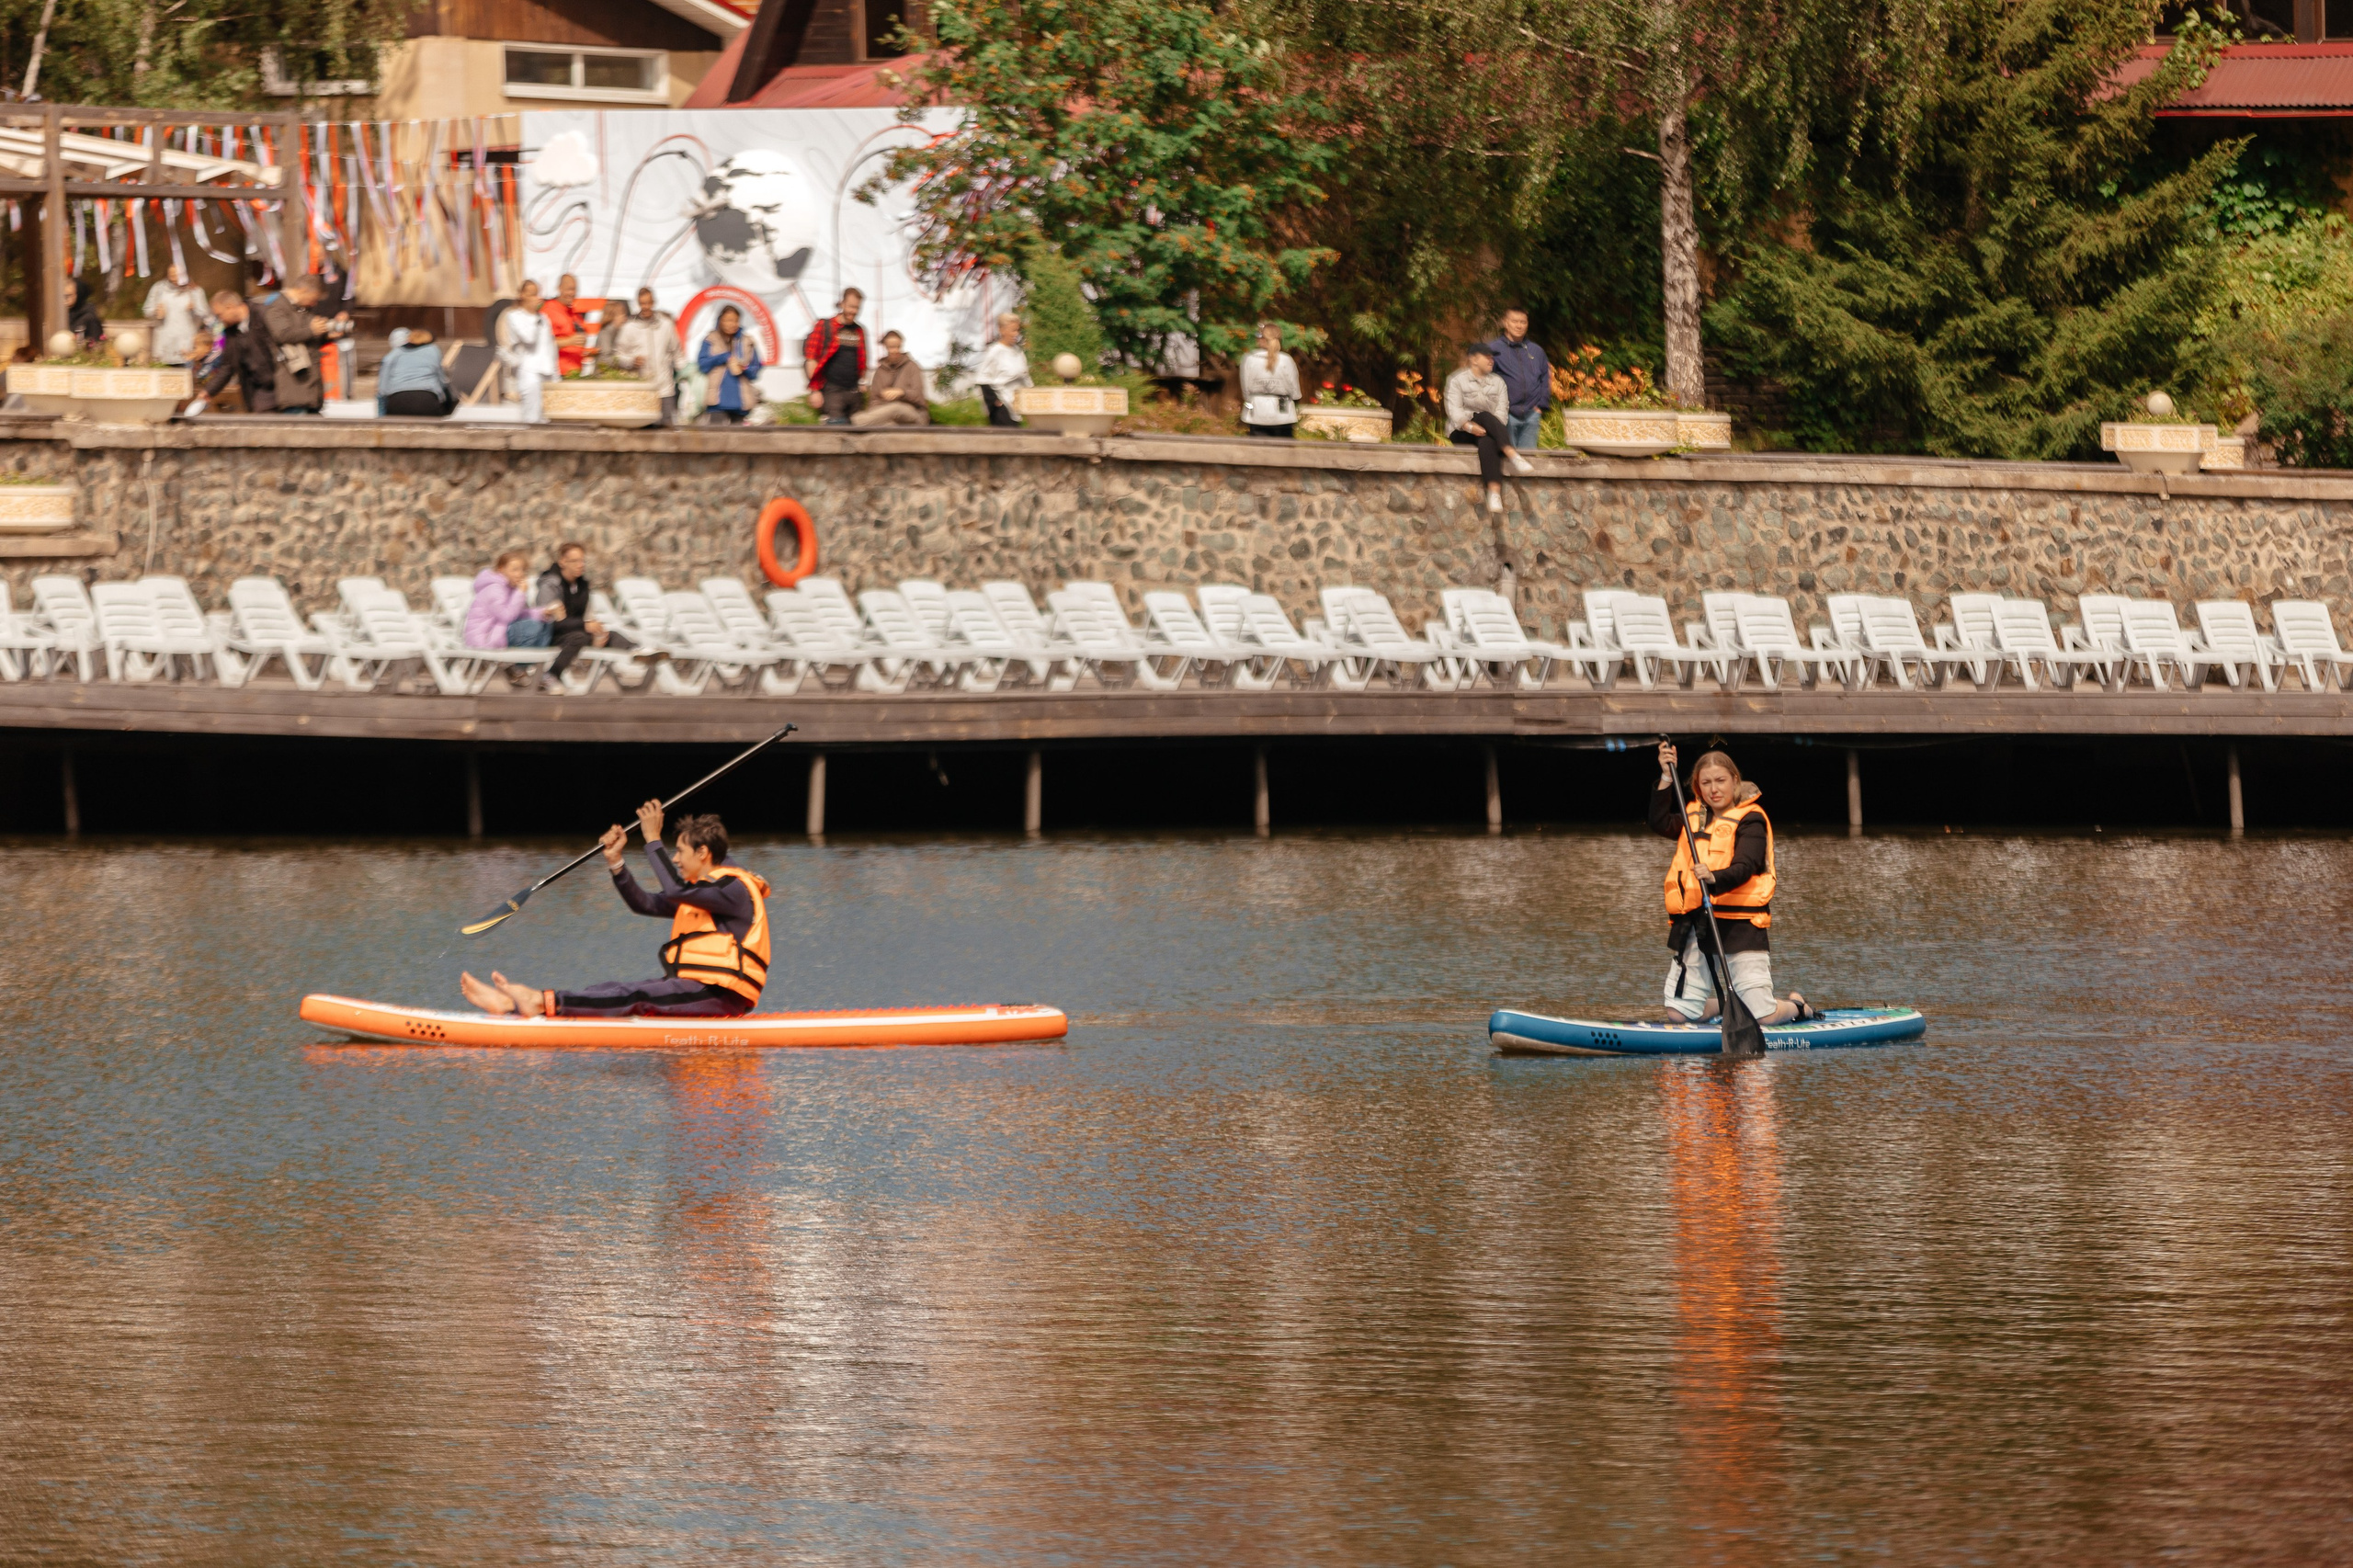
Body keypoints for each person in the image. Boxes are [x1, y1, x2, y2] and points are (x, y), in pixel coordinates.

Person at [459, 802, 770, 1019]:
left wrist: (652, 838)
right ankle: (510, 1007)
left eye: (680, 852)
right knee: (609, 989)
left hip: (721, 997)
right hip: (696, 988)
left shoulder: (733, 889)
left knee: (635, 996)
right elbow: (645, 903)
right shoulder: (703, 894)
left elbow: (674, 890)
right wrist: (615, 862)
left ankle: (540, 1001)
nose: (675, 860)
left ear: (703, 853)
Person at [1651, 742, 1814, 1028]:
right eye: (1706, 783)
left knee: (1762, 1017)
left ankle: (1797, 1007)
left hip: (1741, 925)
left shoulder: (1751, 819)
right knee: (1681, 1015)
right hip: (1697, 922)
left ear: (1734, 781)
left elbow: (1746, 866)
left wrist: (1714, 878)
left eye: (1720, 781)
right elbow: (1659, 821)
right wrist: (1666, 775)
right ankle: (1729, 1006)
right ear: (1698, 787)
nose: (1713, 789)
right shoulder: (1693, 816)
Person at [1444, 344, 1533, 514]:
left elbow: (1502, 413)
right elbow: (1454, 411)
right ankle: (1513, 455)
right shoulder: (1456, 380)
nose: (1492, 360)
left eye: (1492, 357)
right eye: (1487, 357)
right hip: (1462, 431)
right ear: (1474, 359)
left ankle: (1493, 493)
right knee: (1484, 415)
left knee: (1487, 440)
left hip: (1490, 432)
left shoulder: (1498, 383)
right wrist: (1470, 427)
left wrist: (1487, 428)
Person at [532, 540, 636, 677]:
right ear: (563, 562)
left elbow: (587, 616)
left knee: (613, 635)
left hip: (575, 632)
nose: (580, 565)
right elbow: (551, 623)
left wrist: (598, 634)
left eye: (582, 561)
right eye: (575, 561)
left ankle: (638, 653)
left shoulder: (581, 585)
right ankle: (551, 675)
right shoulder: (550, 586)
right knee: (579, 638)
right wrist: (584, 626)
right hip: (550, 635)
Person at [464, 550, 563, 690]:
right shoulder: (494, 589)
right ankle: (520, 667)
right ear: (501, 569)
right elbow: (507, 616)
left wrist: (543, 612)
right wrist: (521, 592)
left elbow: (519, 613)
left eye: (522, 570)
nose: (520, 574)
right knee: (533, 627)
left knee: (546, 623)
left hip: (502, 631)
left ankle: (526, 668)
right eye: (515, 569)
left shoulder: (510, 588)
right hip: (487, 637)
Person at [254, 274, 343, 414]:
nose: (314, 304)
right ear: (303, 290)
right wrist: (312, 330)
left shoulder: (303, 309)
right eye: (313, 299)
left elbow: (306, 338)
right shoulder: (277, 308)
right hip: (295, 387)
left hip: (312, 389)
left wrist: (326, 335)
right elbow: (282, 335)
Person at [188, 291, 286, 414]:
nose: (219, 320)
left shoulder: (263, 314)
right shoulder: (231, 332)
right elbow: (228, 366)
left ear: (230, 307)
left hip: (283, 383)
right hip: (260, 390)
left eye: (220, 315)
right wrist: (208, 391)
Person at [1483, 307, 1552, 451]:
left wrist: (1541, 405)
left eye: (1523, 322)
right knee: (1508, 458)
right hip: (1506, 414)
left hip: (1532, 414)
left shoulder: (1536, 351)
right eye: (1515, 321)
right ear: (1505, 323)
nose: (1519, 326)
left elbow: (1545, 378)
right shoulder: (1493, 349)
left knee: (1528, 458)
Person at [612, 288, 681, 425]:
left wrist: (684, 375)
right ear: (638, 304)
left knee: (667, 429)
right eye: (642, 303)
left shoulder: (666, 325)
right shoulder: (629, 328)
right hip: (642, 389)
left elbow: (677, 352)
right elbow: (618, 356)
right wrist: (631, 361)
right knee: (645, 432)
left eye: (648, 303)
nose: (646, 307)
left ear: (654, 302)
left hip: (665, 389)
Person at [803, 288, 868, 424]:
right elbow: (811, 358)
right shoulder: (825, 326)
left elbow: (862, 360)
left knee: (858, 427)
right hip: (832, 390)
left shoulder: (859, 330)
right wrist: (815, 390)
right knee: (836, 425)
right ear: (842, 304)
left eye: (857, 308)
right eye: (851, 306)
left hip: (853, 391)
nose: (854, 311)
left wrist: (862, 382)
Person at [497, 281, 558, 423]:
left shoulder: (543, 318)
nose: (536, 298)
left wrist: (555, 371)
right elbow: (528, 338)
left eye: (537, 294)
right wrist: (534, 315)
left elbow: (550, 345)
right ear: (522, 295)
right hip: (529, 371)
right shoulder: (514, 316)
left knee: (549, 417)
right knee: (531, 417)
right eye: (532, 294)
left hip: (547, 370)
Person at [698, 306, 763, 425]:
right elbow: (703, 365)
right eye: (728, 320)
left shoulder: (747, 341)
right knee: (715, 438)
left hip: (741, 401)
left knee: (739, 440)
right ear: (720, 320)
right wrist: (722, 357)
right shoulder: (710, 340)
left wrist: (744, 368)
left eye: (735, 320)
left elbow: (755, 369)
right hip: (716, 401)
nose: (732, 324)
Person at [851, 329, 928, 426]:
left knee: (895, 408)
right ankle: (860, 420)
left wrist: (902, 392)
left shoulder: (912, 366)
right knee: (889, 425)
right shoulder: (880, 371)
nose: (895, 350)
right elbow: (874, 400)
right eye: (891, 347)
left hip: (914, 413)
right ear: (886, 347)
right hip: (886, 414)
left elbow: (919, 395)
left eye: (898, 347)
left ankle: (857, 421)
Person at [142, 266, 217, 367]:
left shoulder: (195, 291)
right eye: (171, 276)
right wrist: (156, 312)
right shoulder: (159, 288)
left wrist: (194, 308)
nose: (174, 280)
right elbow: (147, 310)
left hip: (187, 343)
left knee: (186, 375)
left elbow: (206, 314)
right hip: (164, 341)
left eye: (177, 276)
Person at [1238, 322, 1301, 437]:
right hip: (1283, 413)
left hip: (1257, 413)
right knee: (1283, 452)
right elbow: (1295, 392)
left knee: (1258, 452)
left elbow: (1245, 391)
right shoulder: (1286, 359)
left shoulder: (1249, 359)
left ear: (1261, 338)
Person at [375, 326, 453, 417]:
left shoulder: (394, 353)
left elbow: (383, 389)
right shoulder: (433, 350)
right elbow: (442, 381)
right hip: (427, 400)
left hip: (397, 401)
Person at [974, 312, 1029, 426]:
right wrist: (995, 402)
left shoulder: (1018, 352)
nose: (1016, 334)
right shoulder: (995, 352)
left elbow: (1025, 377)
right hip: (1002, 407)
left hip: (1017, 405)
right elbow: (982, 378)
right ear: (1002, 330)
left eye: (1017, 330)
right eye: (1013, 330)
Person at [545, 273, 589, 378]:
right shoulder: (548, 310)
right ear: (559, 288)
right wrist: (569, 341)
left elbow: (579, 339)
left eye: (574, 289)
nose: (572, 293)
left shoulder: (574, 314)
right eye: (569, 289)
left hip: (576, 371)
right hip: (558, 373)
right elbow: (543, 343)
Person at [65, 278, 104, 348]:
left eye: (68, 296)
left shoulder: (90, 318)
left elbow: (96, 345)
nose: (64, 300)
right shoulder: (65, 315)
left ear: (79, 294)